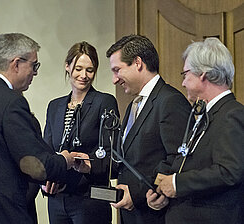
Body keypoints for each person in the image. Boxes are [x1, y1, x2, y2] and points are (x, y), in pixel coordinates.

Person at [0, 33, 90, 224]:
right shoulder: (11, 102)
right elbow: (34, 164)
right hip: (3, 213)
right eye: (34, 65)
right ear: (16, 64)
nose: (35, 73)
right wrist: (66, 160)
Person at [146, 37, 244, 224]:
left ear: (203, 74)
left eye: (185, 74)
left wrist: (177, 184)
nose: (182, 83)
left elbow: (229, 172)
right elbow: (188, 163)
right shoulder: (205, 114)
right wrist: (161, 190)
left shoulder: (233, 114)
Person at [106, 34, 192, 224]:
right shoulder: (133, 105)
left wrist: (138, 193)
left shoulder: (170, 101)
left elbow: (178, 159)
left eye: (117, 70)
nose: (114, 79)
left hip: (155, 214)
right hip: (131, 214)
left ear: (137, 63)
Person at [42, 41, 119, 224]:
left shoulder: (104, 102)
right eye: (78, 68)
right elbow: (45, 150)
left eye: (90, 70)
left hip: (89, 198)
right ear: (67, 67)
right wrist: (44, 180)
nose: (83, 75)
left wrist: (89, 164)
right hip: (57, 198)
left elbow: (114, 154)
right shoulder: (54, 106)